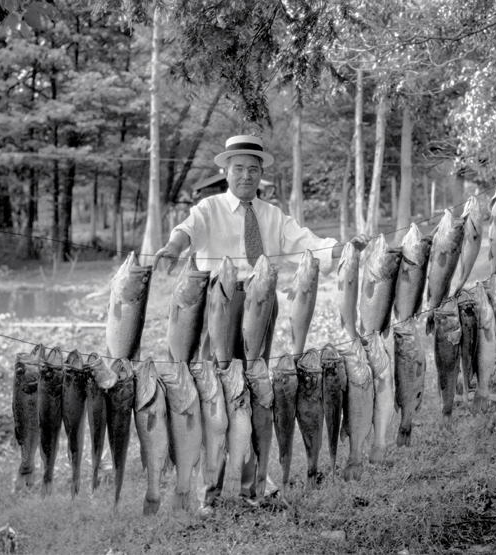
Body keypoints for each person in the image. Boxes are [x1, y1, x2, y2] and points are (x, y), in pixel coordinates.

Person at [152, 134, 369, 512]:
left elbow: (306, 241)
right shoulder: (210, 207)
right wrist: (172, 248)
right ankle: (210, 492)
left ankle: (255, 485)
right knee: (216, 395)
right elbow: (185, 231)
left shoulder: (272, 216)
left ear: (261, 174)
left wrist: (343, 248)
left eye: (253, 169)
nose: (246, 176)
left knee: (255, 392)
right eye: (239, 169)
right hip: (217, 305)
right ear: (226, 171)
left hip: (260, 303)